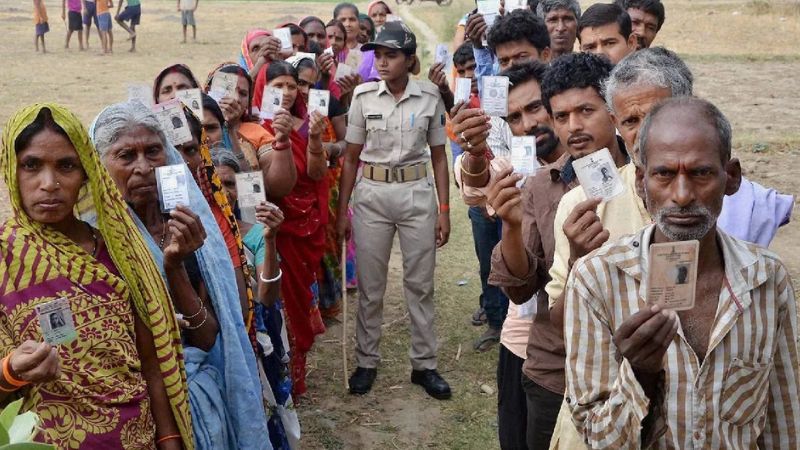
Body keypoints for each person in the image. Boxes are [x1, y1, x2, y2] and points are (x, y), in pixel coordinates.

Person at [564, 96, 800, 448]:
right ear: (641, 182)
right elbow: (597, 438)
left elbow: (783, 421)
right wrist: (639, 374)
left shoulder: (766, 279)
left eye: (701, 173)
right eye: (664, 174)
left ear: (731, 177)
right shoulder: (596, 279)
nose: (683, 195)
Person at [0, 103, 193, 449]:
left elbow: (152, 365)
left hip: (137, 440)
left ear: (87, 172)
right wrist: (11, 371)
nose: (49, 184)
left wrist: (169, 440)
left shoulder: (121, 252)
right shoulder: (4, 257)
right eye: (31, 165)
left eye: (66, 166)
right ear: (11, 169)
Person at [92, 101, 272, 449]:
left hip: (199, 395)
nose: (143, 167)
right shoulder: (97, 242)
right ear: (100, 165)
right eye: (126, 156)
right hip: (132, 407)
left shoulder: (191, 232)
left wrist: (174, 267)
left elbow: (208, 337)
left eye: (153, 151)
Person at [453, 59, 570, 449]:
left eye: (535, 108)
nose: (527, 124)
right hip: (524, 338)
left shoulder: (595, 162)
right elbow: (475, 185)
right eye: (514, 117)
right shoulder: (516, 168)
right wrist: (474, 152)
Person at [336, 22, 452, 400]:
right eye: (379, 56)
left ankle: (425, 364)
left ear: (409, 59)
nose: (382, 63)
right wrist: (342, 211)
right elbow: (350, 158)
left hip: (417, 195)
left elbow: (439, 157)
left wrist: (444, 210)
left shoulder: (430, 96)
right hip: (372, 196)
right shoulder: (363, 96)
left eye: (391, 55)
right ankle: (366, 361)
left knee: (420, 284)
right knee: (371, 286)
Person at [604, 47, 794, 246]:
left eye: (658, 117)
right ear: (615, 122)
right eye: (631, 121)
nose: (645, 134)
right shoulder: (593, 204)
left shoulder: (748, 205)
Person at [212, 149, 302, 449]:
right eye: (215, 183)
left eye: (230, 184)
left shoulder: (254, 235)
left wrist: (270, 239)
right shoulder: (191, 238)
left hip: (255, 342)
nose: (224, 192)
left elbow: (266, 294)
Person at [261, 61, 329, 398]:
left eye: (291, 85)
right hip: (277, 228)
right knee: (279, 305)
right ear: (263, 89)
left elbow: (317, 175)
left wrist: (314, 138)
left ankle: (297, 378)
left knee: (298, 304)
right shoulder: (256, 130)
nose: (286, 92)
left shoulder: (307, 123)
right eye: (278, 86)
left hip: (305, 227)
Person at [204, 63, 297, 199]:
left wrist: (283, 141)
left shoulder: (257, 132)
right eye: (228, 89)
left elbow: (277, 188)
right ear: (208, 91)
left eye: (243, 94)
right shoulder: (193, 127)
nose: (236, 98)